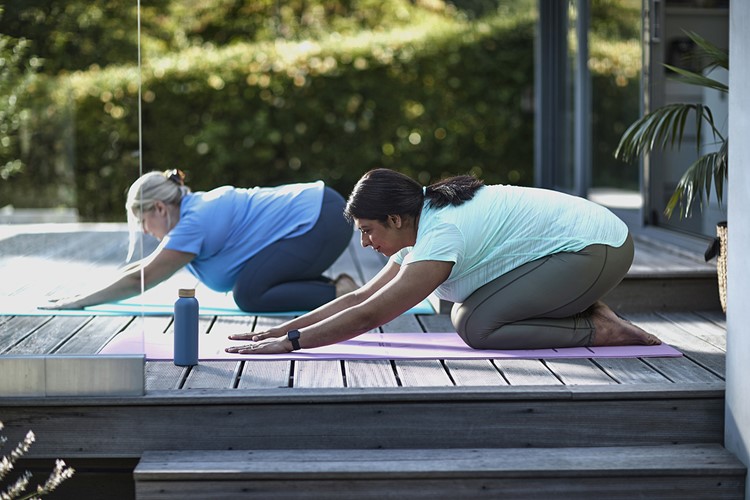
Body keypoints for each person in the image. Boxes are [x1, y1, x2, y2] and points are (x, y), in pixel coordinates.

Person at [225, 167, 661, 354]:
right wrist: (281, 328)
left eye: (367, 230)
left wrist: (294, 345)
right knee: (469, 313)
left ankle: (598, 327)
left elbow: (369, 315)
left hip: (596, 248)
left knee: (475, 325)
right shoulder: (420, 221)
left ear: (395, 218)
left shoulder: (439, 231)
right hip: (572, 251)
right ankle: (583, 307)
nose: (364, 243)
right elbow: (360, 295)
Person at [44, 169, 357, 312]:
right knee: (251, 286)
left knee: (250, 294)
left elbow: (142, 278)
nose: (143, 230)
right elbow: (140, 267)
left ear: (159, 208)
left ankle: (341, 293)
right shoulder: (192, 215)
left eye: (142, 221)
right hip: (319, 215)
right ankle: (336, 286)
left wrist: (80, 302)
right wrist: (84, 292)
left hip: (321, 218)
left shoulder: (194, 224)